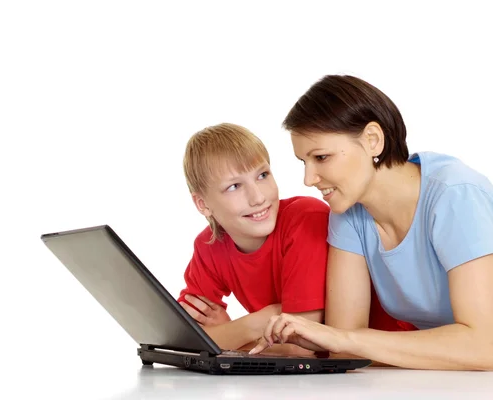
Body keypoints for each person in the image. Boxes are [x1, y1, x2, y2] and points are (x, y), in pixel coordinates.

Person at [249, 75, 493, 371]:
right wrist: (329, 339)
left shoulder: (455, 195)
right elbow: (344, 348)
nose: (308, 179)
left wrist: (344, 339)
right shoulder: (349, 212)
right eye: (304, 161)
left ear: (373, 140)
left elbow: (484, 346)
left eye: (322, 157)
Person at [177, 122, 412, 355]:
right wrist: (254, 324)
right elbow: (181, 336)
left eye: (262, 175)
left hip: (387, 358)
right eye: (234, 186)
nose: (258, 197)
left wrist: (226, 335)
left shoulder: (304, 219)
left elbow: (301, 348)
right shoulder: (208, 246)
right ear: (203, 204)